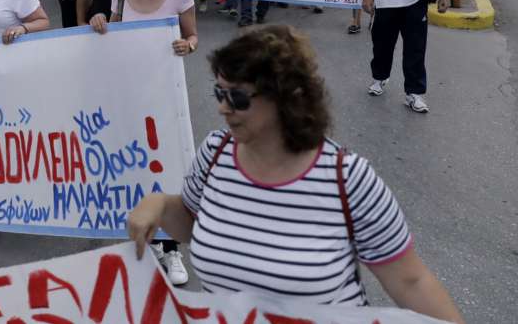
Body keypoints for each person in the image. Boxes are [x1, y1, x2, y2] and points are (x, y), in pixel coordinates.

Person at [126, 27, 464, 320]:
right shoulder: (215, 153)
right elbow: (191, 222)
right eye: (219, 93)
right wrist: (159, 205)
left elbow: (410, 282)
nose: (222, 107)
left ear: (287, 98)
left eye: (238, 97)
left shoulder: (347, 179)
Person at [89, 0, 196, 286]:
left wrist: (188, 44)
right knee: (133, 165)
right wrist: (99, 22)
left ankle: (171, 249)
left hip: (164, 95)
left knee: (163, 170)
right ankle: (142, 236)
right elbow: (114, 37)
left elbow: (192, 35)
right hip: (130, 94)